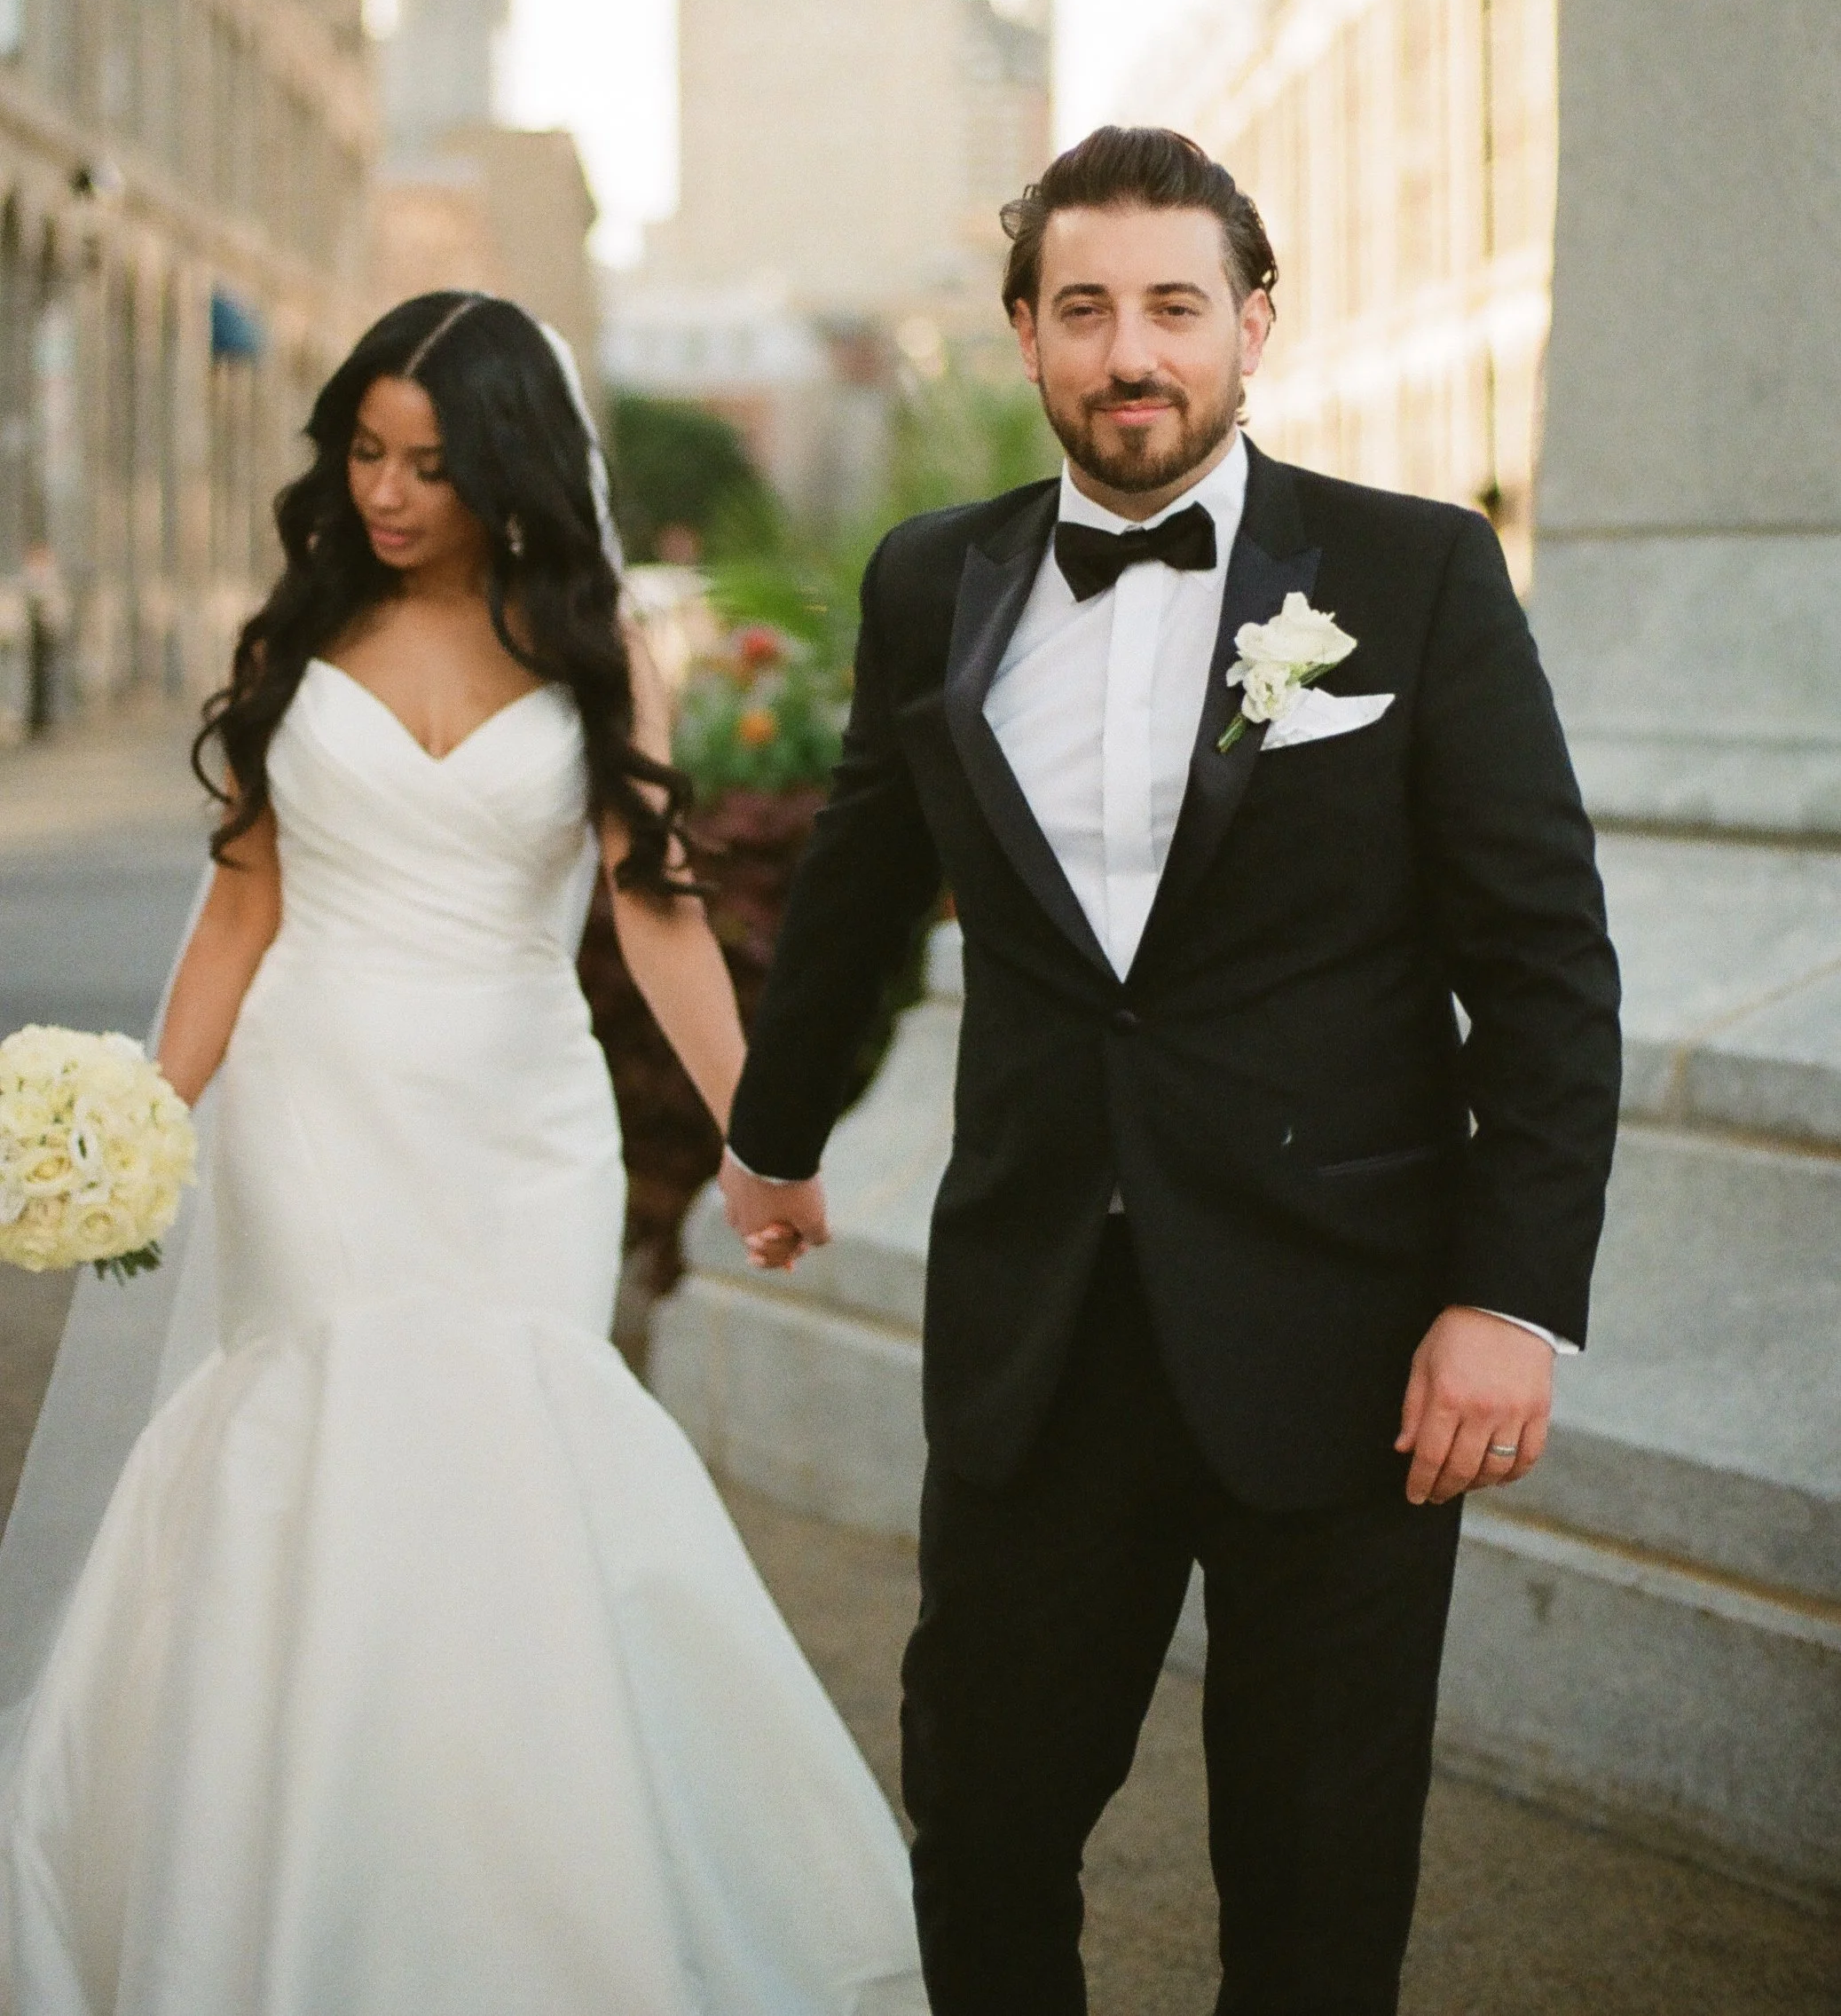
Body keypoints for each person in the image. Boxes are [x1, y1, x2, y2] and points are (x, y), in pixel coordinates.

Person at [720, 128, 1622, 2016]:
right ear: (1026, 336)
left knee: (1310, 1880)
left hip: (1349, 1338)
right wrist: (771, 1132)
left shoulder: (1414, 572)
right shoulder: (926, 583)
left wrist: (1508, 1294)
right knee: (980, 1823)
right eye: (1081, 308)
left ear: (1250, 323)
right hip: (1040, 1327)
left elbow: (1538, 969)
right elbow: (863, 879)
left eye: (1169, 305)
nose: (1127, 352)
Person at [0, 291, 924, 2016]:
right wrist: (132, 1117)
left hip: (519, 1122)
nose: (387, 490)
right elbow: (238, 912)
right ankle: (273, 1890)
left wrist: (759, 1130)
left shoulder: (585, 641)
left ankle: (518, 1910)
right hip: (315, 1104)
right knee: (318, 1449)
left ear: (506, 462)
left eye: (428, 459)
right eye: (362, 450)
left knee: (508, 1451)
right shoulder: (303, 631)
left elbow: (654, 909)